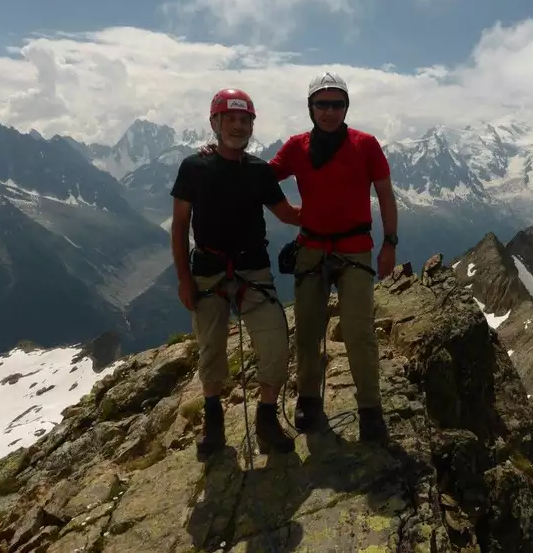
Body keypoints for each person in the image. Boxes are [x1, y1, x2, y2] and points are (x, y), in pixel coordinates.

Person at [200, 72, 399, 443]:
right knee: (307, 332)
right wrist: (219, 154)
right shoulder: (297, 147)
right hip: (313, 247)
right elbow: (256, 176)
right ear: (311, 108)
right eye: (321, 104)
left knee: (358, 333)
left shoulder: (366, 145)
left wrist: (390, 242)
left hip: (354, 247)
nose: (329, 111)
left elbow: (386, 195)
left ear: (346, 107)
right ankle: (308, 398)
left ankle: (370, 408)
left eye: (336, 104)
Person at [170, 88, 302, 459]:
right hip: (208, 272)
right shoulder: (194, 168)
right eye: (232, 119)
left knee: (275, 341)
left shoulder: (258, 171)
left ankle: (265, 417)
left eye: (245, 121)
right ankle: (213, 423)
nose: (240, 126)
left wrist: (331, 213)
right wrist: (184, 280)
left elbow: (286, 213)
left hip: (251, 269)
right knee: (211, 348)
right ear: (215, 123)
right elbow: (180, 227)